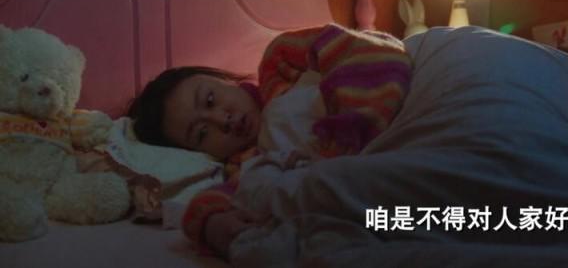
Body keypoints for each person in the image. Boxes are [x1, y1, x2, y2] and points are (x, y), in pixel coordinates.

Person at [129, 24, 412, 258]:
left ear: (225, 81)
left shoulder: (281, 62)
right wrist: (211, 223)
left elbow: (370, 52)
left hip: (411, 97)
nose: (221, 120)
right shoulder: (250, 165)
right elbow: (217, 203)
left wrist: (347, 132)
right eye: (202, 133)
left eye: (211, 99)